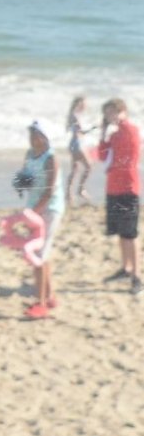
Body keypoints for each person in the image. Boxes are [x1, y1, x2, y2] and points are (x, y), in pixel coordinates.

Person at [0, 121, 65, 319]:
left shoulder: (51, 159)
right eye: (30, 134)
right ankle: (50, 297)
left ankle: (41, 304)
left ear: (45, 137)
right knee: (41, 252)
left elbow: (50, 191)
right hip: (34, 208)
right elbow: (26, 177)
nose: (32, 138)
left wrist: (34, 213)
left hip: (50, 209)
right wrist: (20, 185)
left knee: (38, 255)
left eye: (35, 134)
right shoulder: (30, 154)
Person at [99, 98, 141, 293]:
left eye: (113, 112)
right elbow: (102, 155)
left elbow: (131, 151)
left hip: (128, 188)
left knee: (130, 233)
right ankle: (126, 268)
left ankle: (137, 276)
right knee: (120, 232)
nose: (110, 116)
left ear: (122, 111)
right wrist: (103, 133)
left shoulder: (131, 130)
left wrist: (121, 121)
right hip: (113, 188)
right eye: (107, 114)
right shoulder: (114, 135)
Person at [64, 94, 94, 203]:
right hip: (77, 144)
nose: (85, 106)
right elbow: (81, 131)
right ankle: (80, 189)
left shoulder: (72, 115)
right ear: (79, 104)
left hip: (74, 143)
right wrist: (93, 128)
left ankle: (68, 194)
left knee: (75, 169)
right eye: (84, 104)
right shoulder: (75, 115)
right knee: (89, 166)